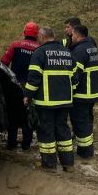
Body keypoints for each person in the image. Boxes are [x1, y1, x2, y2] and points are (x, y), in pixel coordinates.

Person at [23, 27, 78, 172]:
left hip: (46, 102)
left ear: (41, 37)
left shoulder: (39, 53)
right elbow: (75, 78)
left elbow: (33, 79)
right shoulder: (67, 52)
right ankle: (68, 164)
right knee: (63, 131)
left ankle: (49, 164)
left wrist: (27, 95)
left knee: (46, 132)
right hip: (65, 101)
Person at [0, 21, 40, 151]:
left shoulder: (15, 45)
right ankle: (26, 145)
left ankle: (11, 144)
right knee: (27, 116)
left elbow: (3, 62)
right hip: (31, 88)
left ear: (24, 32)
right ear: (36, 34)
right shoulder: (39, 49)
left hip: (15, 86)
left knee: (13, 115)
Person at [70, 25, 98, 160]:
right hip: (92, 92)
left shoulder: (79, 50)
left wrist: (71, 90)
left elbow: (75, 74)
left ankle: (85, 152)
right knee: (87, 121)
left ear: (76, 35)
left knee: (80, 122)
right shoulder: (92, 47)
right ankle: (88, 148)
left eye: (72, 35)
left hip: (82, 94)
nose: (71, 38)